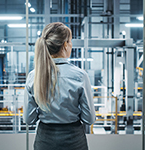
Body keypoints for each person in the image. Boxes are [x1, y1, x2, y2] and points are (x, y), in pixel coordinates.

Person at [24, 22, 96, 150]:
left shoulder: (33, 76)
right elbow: (89, 118)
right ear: (65, 45)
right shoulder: (79, 76)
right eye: (70, 41)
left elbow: (29, 119)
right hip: (74, 141)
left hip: (45, 140)